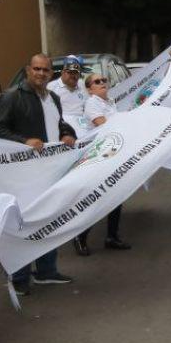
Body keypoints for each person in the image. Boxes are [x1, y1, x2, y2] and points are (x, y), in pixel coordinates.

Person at [0, 53, 78, 295]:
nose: (41, 73)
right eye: (36, 69)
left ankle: (46, 271)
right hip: (23, 173)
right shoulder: (11, 96)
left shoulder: (54, 98)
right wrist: (24, 141)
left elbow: (59, 123)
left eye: (45, 70)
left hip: (50, 170)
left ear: (51, 73)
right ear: (28, 70)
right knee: (25, 222)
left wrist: (67, 134)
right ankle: (19, 277)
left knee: (49, 218)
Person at [72, 72, 130, 255]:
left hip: (114, 153)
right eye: (97, 82)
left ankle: (112, 236)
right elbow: (102, 124)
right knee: (99, 198)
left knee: (117, 197)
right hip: (100, 156)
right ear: (90, 89)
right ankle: (80, 236)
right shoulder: (92, 103)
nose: (102, 83)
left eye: (104, 80)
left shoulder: (110, 102)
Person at [47, 57, 89, 135]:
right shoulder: (52, 87)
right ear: (63, 72)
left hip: (83, 124)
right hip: (63, 127)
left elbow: (88, 105)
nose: (73, 75)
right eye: (70, 72)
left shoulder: (81, 84)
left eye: (75, 73)